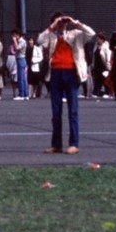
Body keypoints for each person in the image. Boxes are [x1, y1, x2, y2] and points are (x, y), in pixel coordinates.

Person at [39, 12, 94, 155]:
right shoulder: (52, 36)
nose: (61, 24)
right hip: (55, 73)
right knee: (56, 112)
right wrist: (52, 26)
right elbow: (40, 40)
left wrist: (75, 22)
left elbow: (91, 33)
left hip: (71, 72)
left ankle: (73, 143)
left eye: (63, 22)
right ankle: (56, 144)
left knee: (72, 110)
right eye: (59, 22)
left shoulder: (75, 34)